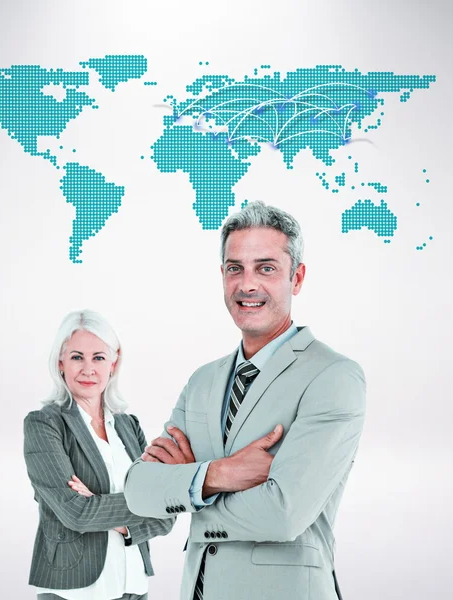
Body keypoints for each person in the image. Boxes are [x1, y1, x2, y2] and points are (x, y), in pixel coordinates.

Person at [121, 201, 367, 600]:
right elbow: (138, 491)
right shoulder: (203, 381)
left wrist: (188, 492)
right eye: (235, 268)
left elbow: (284, 514)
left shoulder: (333, 376)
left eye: (266, 268)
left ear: (297, 278)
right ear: (222, 276)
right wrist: (221, 473)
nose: (247, 284)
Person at [23, 310, 174, 600]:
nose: (88, 369)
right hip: (75, 590)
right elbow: (75, 513)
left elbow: (165, 518)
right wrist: (148, 503)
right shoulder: (44, 424)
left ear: (114, 363)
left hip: (133, 585)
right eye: (77, 357)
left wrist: (97, 503)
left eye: (99, 358)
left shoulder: (128, 426)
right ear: (61, 362)